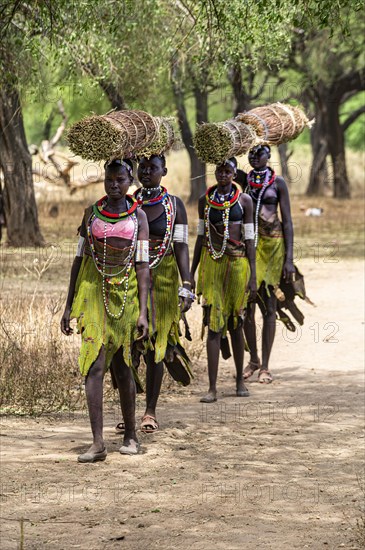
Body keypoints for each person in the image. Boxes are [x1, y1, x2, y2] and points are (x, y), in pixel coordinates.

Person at [61, 159, 149, 462]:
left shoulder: (138, 217)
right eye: (109, 179)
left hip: (125, 298)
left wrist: (143, 313)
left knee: (124, 367)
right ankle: (97, 443)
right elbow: (77, 260)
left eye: (120, 179)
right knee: (94, 366)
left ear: (130, 180)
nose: (114, 185)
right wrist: (68, 305)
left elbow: (142, 266)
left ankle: (130, 434)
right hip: (93, 295)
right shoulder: (91, 215)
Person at [117, 154, 193, 434]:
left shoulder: (175, 206)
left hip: (164, 281)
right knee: (129, 344)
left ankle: (149, 410)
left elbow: (182, 245)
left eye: (153, 167)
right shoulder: (127, 202)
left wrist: (187, 282)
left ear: (165, 171)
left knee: (157, 347)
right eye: (143, 167)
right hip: (133, 279)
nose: (146, 171)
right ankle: (128, 410)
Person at [190, 157, 256, 403]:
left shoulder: (244, 201)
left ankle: (239, 380)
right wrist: (190, 272)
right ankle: (212, 388)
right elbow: (200, 238)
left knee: (237, 324)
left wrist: (253, 276)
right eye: (220, 170)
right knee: (214, 325)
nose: (223, 175)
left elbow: (250, 239)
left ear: (234, 172)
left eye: (228, 171)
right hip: (212, 264)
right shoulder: (204, 202)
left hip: (238, 266)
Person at [243, 144, 295, 384]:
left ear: (269, 155)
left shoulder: (278, 182)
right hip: (249, 247)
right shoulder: (243, 181)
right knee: (247, 306)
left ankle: (265, 365)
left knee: (270, 306)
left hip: (274, 247)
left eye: (259, 153)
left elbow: (287, 222)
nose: (255, 157)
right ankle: (253, 358)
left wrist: (289, 259)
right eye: (251, 153)